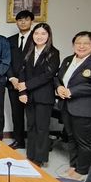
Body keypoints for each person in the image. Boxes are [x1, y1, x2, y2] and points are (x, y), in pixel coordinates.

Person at [55, 31, 91, 180]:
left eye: (86, 43)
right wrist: (59, 87)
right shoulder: (68, 60)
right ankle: (73, 166)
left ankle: (82, 171)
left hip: (85, 108)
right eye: (78, 43)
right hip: (66, 106)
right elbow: (58, 78)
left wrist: (73, 91)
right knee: (71, 137)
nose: (81, 46)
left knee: (84, 141)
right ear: (73, 45)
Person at [17, 23, 60, 166]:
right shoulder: (29, 50)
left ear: (48, 36)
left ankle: (40, 158)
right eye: (36, 33)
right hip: (28, 96)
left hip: (44, 96)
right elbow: (22, 71)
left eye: (43, 34)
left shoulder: (53, 53)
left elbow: (48, 75)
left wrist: (27, 85)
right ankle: (30, 155)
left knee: (42, 128)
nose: (39, 36)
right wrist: (22, 91)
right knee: (31, 126)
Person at [7, 10, 34, 149]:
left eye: (26, 19)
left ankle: (34, 143)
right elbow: (7, 61)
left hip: (31, 84)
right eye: (20, 20)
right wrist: (12, 78)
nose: (23, 22)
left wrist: (25, 83)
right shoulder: (10, 40)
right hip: (14, 84)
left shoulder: (37, 39)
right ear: (16, 22)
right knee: (16, 114)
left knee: (32, 115)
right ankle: (19, 140)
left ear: (31, 21)